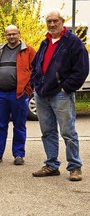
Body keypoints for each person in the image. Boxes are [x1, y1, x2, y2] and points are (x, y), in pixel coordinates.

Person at [31, 10, 89, 181]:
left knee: (68, 132)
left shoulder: (73, 42)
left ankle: (75, 167)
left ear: (62, 22)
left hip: (61, 95)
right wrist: (35, 83)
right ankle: (51, 165)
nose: (52, 24)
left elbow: (82, 69)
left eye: (55, 21)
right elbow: (36, 66)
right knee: (47, 131)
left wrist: (66, 87)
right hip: (42, 94)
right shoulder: (45, 42)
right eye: (49, 21)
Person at [0, 25, 36, 165]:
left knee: (19, 125)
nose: (11, 37)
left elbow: (36, 70)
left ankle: (19, 154)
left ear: (19, 33)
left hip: (18, 94)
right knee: (0, 125)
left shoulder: (28, 51)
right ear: (5, 36)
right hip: (0, 93)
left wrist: (28, 89)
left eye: (14, 34)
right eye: (9, 34)